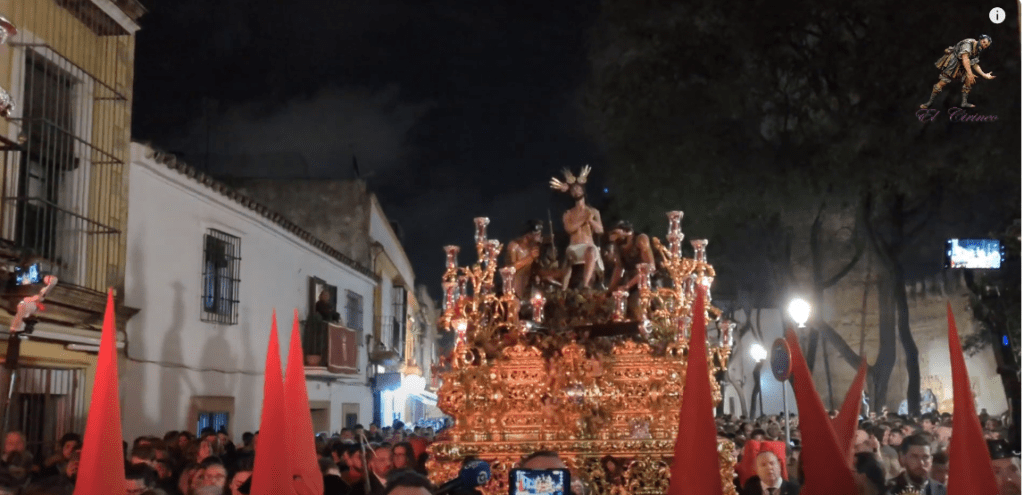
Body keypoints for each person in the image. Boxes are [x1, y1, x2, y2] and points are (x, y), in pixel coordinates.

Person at [550, 166, 604, 289]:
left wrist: (591, 221)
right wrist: (584, 219)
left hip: (589, 248)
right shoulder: (568, 213)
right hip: (574, 248)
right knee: (568, 259)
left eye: (578, 189)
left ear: (583, 190)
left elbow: (600, 230)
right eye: (573, 189)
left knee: (591, 251)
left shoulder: (593, 211)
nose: (576, 191)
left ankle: (585, 284)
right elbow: (569, 229)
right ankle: (563, 289)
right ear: (570, 193)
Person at [920, 35, 994, 109]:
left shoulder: (977, 49)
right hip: (954, 63)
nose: (984, 45)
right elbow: (965, 59)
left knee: (968, 81)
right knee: (942, 82)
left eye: (986, 45)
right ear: (980, 39)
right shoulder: (968, 44)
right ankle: (929, 102)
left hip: (963, 65)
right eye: (984, 42)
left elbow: (974, 63)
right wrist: (970, 73)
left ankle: (964, 103)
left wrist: (984, 75)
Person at [606, 220, 654, 292]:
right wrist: (609, 292)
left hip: (648, 281)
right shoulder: (618, 245)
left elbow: (649, 267)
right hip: (630, 280)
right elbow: (618, 269)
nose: (613, 237)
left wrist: (627, 286)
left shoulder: (640, 239)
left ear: (626, 231)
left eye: (616, 233)